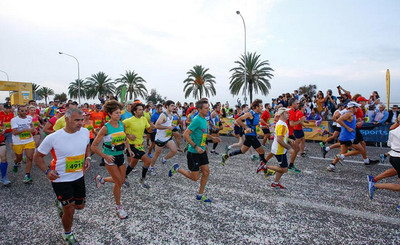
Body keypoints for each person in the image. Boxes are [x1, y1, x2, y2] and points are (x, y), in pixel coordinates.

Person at [34, 108, 91, 244]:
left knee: (80, 206)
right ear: (66, 120)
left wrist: (87, 158)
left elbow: (88, 145)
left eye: (81, 120)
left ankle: (60, 203)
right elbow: (38, 156)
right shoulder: (53, 138)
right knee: (69, 209)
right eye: (76, 120)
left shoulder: (84, 132)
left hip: (78, 176)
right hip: (61, 179)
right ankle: (67, 235)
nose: (80, 123)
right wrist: (47, 172)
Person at [168, 100, 221, 203]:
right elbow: (185, 134)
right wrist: (196, 147)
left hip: (202, 151)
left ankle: (200, 195)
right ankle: (177, 168)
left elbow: (203, 134)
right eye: (206, 108)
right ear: (199, 110)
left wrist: (212, 138)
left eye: (208, 108)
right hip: (194, 152)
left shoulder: (204, 119)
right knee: (194, 177)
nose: (208, 110)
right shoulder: (196, 120)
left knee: (206, 172)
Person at [91, 100, 129, 219]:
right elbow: (94, 146)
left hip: (120, 155)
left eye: (119, 113)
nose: (119, 115)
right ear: (110, 114)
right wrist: (105, 156)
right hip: (110, 157)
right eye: (116, 113)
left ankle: (102, 179)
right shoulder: (105, 128)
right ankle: (119, 207)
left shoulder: (122, 124)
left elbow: (125, 137)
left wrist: (128, 149)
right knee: (118, 182)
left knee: (122, 180)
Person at [221, 99, 268, 173]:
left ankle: (226, 156)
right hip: (250, 136)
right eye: (261, 106)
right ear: (256, 107)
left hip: (252, 135)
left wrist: (264, 127)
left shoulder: (257, 114)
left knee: (242, 151)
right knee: (262, 152)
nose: (262, 107)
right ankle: (265, 171)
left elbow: (255, 125)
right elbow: (238, 120)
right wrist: (246, 128)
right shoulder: (250, 114)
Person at [368, 114, 400, 211]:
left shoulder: (393, 130)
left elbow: (389, 144)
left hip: (394, 157)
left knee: (395, 171)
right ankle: (375, 186)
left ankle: (374, 179)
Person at [124, 103, 153, 189]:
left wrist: (154, 127)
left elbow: (149, 130)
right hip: (132, 145)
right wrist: (128, 136)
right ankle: (142, 179)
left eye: (142, 109)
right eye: (140, 110)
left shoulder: (144, 119)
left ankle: (124, 176)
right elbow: (118, 128)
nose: (142, 111)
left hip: (141, 145)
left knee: (133, 163)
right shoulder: (128, 121)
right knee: (147, 161)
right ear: (134, 111)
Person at [264, 108, 294, 188]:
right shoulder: (282, 125)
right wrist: (289, 148)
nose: (289, 114)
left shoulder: (281, 123)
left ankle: (275, 183)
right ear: (281, 114)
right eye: (286, 113)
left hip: (279, 149)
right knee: (285, 169)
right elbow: (279, 139)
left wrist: (289, 139)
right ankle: (265, 167)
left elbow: (280, 137)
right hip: (280, 150)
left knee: (282, 167)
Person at [149, 100, 178, 175]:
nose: (173, 107)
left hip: (167, 137)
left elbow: (168, 123)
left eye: (174, 105)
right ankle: (151, 167)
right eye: (172, 105)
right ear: (167, 106)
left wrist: (172, 126)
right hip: (160, 138)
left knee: (174, 150)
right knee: (157, 154)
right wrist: (168, 127)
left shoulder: (171, 115)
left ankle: (164, 159)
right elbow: (157, 125)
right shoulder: (163, 115)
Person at [11, 105, 36, 183]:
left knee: (30, 157)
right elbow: (14, 132)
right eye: (22, 111)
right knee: (19, 158)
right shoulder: (14, 120)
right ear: (18, 111)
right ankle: (16, 163)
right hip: (18, 142)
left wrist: (32, 129)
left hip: (29, 140)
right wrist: (25, 129)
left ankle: (27, 175)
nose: (24, 112)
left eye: (25, 110)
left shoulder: (29, 118)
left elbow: (32, 127)